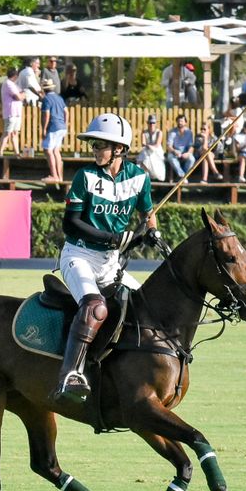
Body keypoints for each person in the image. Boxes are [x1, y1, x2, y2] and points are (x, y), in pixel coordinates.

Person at [53, 112, 159, 405]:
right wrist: (112, 238)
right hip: (80, 256)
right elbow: (70, 223)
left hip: (112, 264)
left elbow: (148, 212)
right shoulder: (84, 176)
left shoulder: (139, 178)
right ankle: (70, 373)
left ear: (120, 149)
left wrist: (152, 232)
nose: (95, 150)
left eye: (101, 145)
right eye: (95, 145)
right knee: (94, 306)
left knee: (148, 308)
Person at [38, 78, 67, 182]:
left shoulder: (46, 99)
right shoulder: (59, 98)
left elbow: (46, 114)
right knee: (56, 151)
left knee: (48, 150)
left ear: (44, 90)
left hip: (53, 126)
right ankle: (60, 176)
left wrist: (44, 129)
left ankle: (54, 175)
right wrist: (65, 123)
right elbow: (66, 112)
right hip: (61, 126)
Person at [0, 65, 23, 156]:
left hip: (17, 113)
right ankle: (0, 152)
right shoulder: (8, 83)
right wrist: (22, 95)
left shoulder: (14, 84)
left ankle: (17, 153)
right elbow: (18, 96)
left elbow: (20, 94)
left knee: (15, 133)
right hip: (10, 112)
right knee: (7, 133)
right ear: (15, 76)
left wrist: (21, 95)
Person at [137, 115, 166, 182]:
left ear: (156, 123)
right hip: (146, 149)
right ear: (148, 123)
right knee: (144, 155)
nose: (152, 124)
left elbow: (157, 144)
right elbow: (143, 143)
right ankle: (145, 175)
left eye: (153, 123)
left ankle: (154, 175)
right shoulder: (144, 132)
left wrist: (149, 146)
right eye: (150, 123)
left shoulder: (159, 132)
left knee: (150, 156)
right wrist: (148, 146)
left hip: (156, 150)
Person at [166, 114, 195, 180]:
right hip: (175, 152)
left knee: (192, 159)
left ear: (185, 122)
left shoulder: (189, 132)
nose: (180, 123)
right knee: (170, 157)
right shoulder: (172, 132)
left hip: (185, 152)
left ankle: (181, 177)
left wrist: (188, 153)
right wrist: (174, 151)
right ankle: (183, 176)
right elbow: (169, 146)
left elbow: (191, 146)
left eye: (181, 121)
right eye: (178, 121)